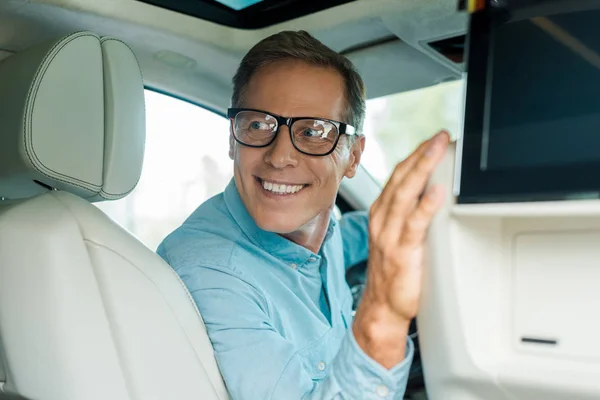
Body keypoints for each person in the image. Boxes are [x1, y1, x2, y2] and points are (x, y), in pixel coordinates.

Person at [157, 30, 449, 399]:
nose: (279, 157)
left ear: (353, 157)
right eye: (258, 125)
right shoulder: (209, 270)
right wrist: (383, 315)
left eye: (313, 131)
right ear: (233, 139)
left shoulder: (326, 233)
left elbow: (362, 233)